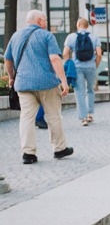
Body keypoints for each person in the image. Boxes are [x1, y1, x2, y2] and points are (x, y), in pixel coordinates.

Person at [4, 9, 73, 164]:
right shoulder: (46, 35)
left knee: (27, 118)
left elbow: (8, 60)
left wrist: (11, 78)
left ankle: (28, 153)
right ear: (40, 20)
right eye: (46, 20)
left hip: (23, 84)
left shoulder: (16, 36)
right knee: (53, 116)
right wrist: (63, 80)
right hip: (46, 83)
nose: (46, 23)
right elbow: (55, 58)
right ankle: (59, 148)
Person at [63, 17, 102, 126]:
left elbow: (65, 52)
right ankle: (90, 114)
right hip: (91, 67)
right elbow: (99, 53)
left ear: (78, 24)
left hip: (77, 67)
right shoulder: (94, 37)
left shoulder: (71, 37)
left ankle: (83, 118)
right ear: (87, 26)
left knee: (79, 92)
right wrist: (95, 65)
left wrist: (68, 63)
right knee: (90, 90)